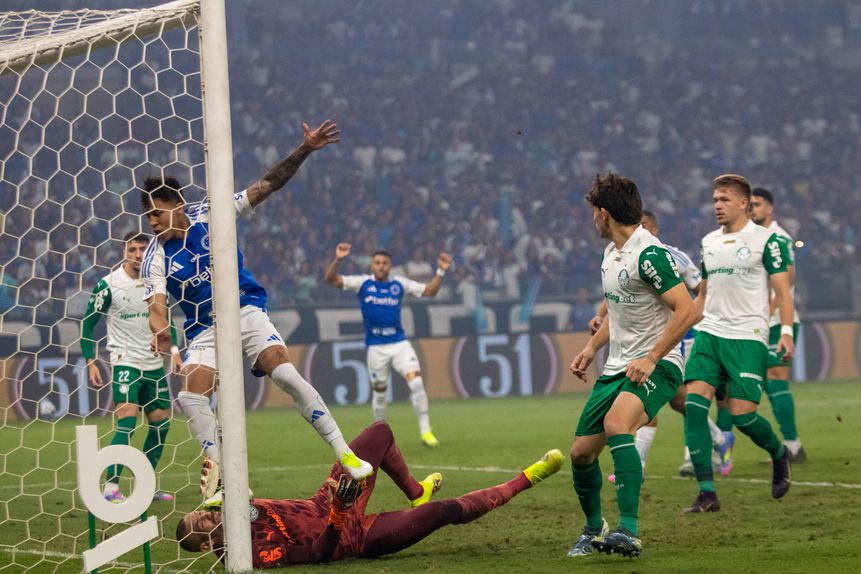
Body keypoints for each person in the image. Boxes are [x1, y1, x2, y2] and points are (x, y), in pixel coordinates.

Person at [141, 120, 372, 507]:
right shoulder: (154, 256)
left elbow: (267, 184)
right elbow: (157, 306)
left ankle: (343, 451)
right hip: (202, 330)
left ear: (176, 207)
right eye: (146, 217)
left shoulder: (209, 213)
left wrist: (305, 149)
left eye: (155, 214)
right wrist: (162, 331)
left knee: (284, 373)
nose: (150, 222)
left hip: (245, 310)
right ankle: (223, 474)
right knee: (190, 396)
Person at [175, 422, 562, 568]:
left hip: (326, 499)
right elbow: (316, 555)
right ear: (209, 544)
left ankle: (415, 491)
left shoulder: (224, 510)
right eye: (203, 525)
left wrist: (214, 470)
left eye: (200, 514)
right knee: (444, 511)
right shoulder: (250, 557)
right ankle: (526, 478)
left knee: (379, 432)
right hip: (351, 537)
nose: (207, 517)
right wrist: (340, 517)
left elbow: (229, 484)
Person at [567, 173, 698, 558]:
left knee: (617, 424)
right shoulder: (612, 255)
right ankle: (594, 528)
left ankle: (629, 530)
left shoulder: (650, 253)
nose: (592, 220)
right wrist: (591, 348)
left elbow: (686, 309)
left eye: (593, 213)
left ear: (604, 214)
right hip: (618, 367)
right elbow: (622, 311)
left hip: (658, 365)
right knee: (580, 454)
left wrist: (652, 356)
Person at [593, 210, 732, 484]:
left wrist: (697, 326)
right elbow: (618, 294)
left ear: (653, 231)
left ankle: (641, 464)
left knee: (654, 399)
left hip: (682, 339)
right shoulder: (623, 256)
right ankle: (718, 437)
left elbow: (700, 292)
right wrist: (600, 315)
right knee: (677, 401)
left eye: (643, 227)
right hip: (646, 341)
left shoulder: (669, 256)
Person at [682, 174, 795, 514]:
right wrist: (676, 331)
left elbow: (783, 290)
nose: (717, 205)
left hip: (747, 336)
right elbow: (702, 296)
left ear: (744, 203)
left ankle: (779, 453)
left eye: (725, 199)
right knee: (694, 405)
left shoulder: (768, 240)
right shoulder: (708, 242)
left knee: (743, 417)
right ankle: (707, 493)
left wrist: (786, 331)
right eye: (715, 199)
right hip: (710, 334)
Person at [81, 232, 183, 503]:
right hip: (125, 362)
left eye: (142, 249)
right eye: (133, 249)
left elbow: (166, 321)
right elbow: (88, 325)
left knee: (160, 425)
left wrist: (173, 350)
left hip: (154, 365)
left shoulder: (155, 284)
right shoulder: (109, 285)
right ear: (124, 251)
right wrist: (91, 362)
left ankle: (145, 486)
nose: (138, 255)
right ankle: (111, 486)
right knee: (127, 420)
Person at [324, 243, 452, 446]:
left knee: (417, 383)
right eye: (377, 263)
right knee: (380, 394)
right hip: (376, 348)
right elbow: (330, 279)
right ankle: (380, 439)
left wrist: (441, 270)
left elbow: (429, 291)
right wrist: (339, 259)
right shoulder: (362, 284)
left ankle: (426, 431)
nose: (381, 266)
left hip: (400, 344)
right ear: (372, 266)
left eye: (384, 263)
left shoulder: (399, 285)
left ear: (390, 266)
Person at [750, 187, 806, 462]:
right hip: (757, 322)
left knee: (776, 378)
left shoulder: (779, 237)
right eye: (750, 205)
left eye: (757, 205)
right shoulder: (754, 238)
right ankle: (789, 444)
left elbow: (787, 281)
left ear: (770, 209)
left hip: (777, 321)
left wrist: (767, 312)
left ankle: (793, 446)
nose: (753, 209)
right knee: (767, 384)